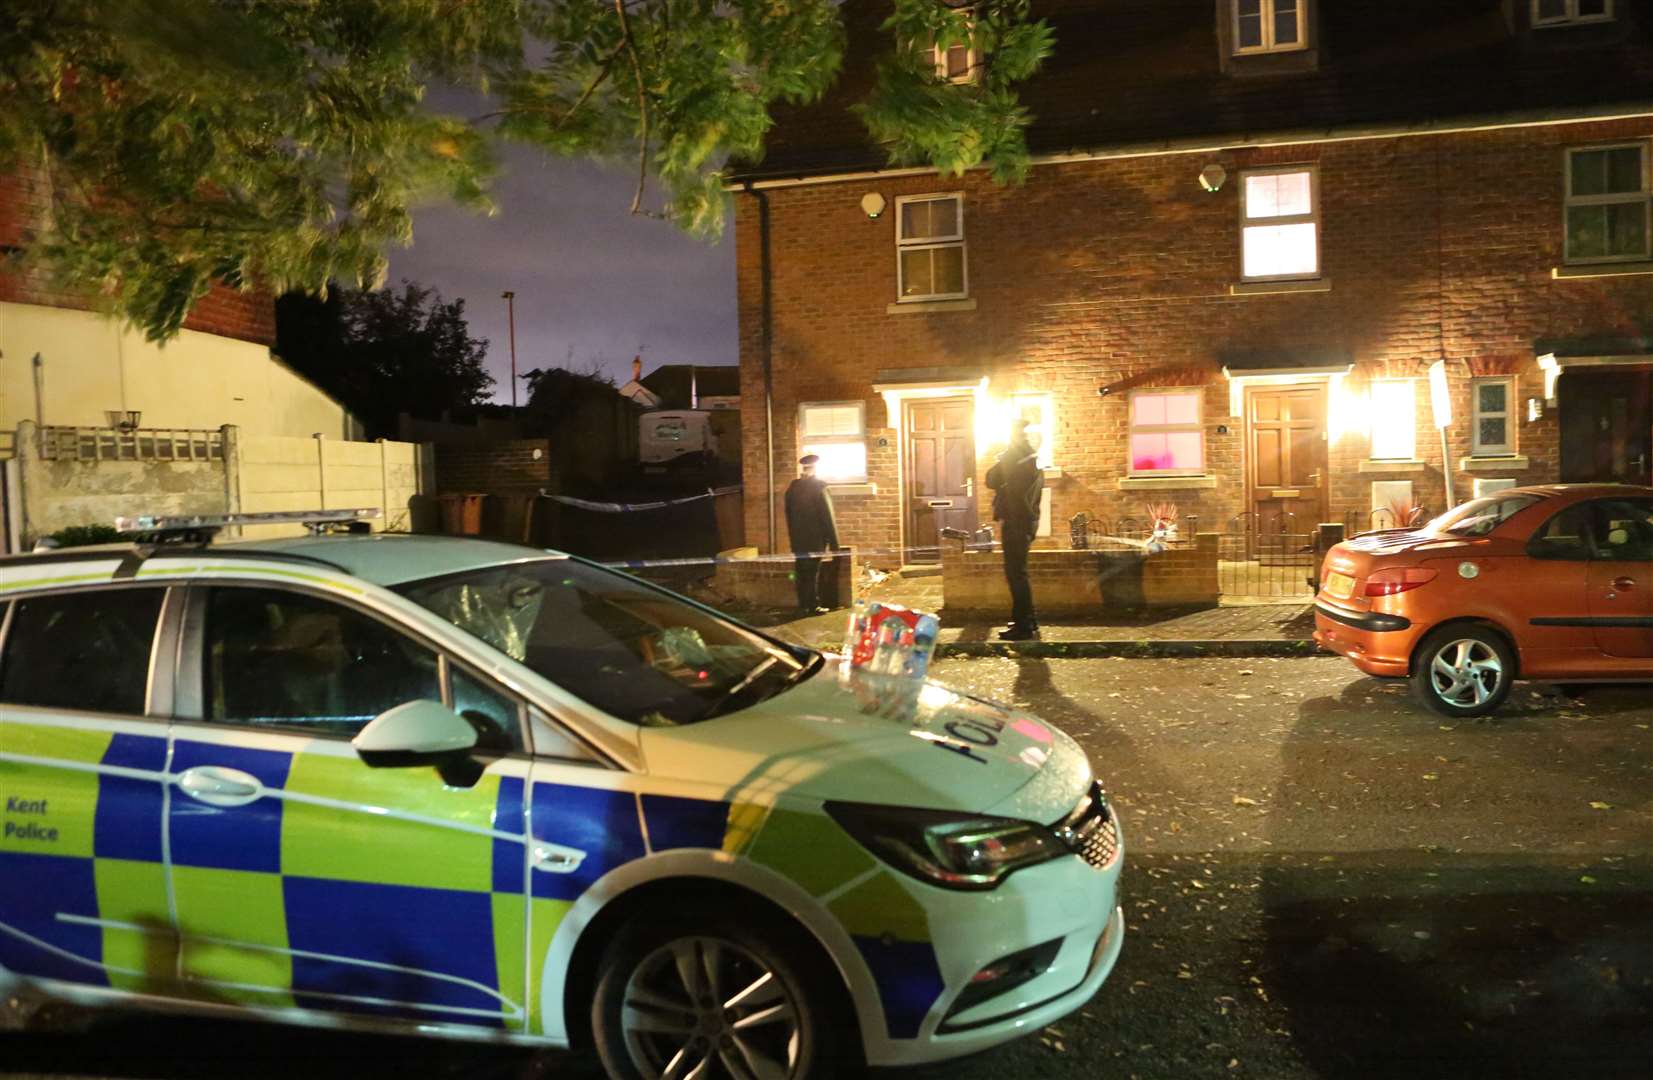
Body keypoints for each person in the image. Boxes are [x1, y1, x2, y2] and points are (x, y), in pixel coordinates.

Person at [985, 419, 1044, 640]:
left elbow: (990, 480)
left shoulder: (1013, 456)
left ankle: (1023, 626)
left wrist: (1001, 459)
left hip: (1016, 522)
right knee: (1020, 573)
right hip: (1027, 521)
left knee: (1015, 575)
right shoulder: (1031, 457)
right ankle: (1028, 620)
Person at [784, 453, 840, 615]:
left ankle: (803, 604)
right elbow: (827, 516)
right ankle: (813, 605)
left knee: (801, 572)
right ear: (815, 468)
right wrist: (835, 543)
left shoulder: (792, 488)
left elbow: (788, 514)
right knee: (812, 572)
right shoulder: (820, 487)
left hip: (797, 539)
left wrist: (792, 535)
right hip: (815, 539)